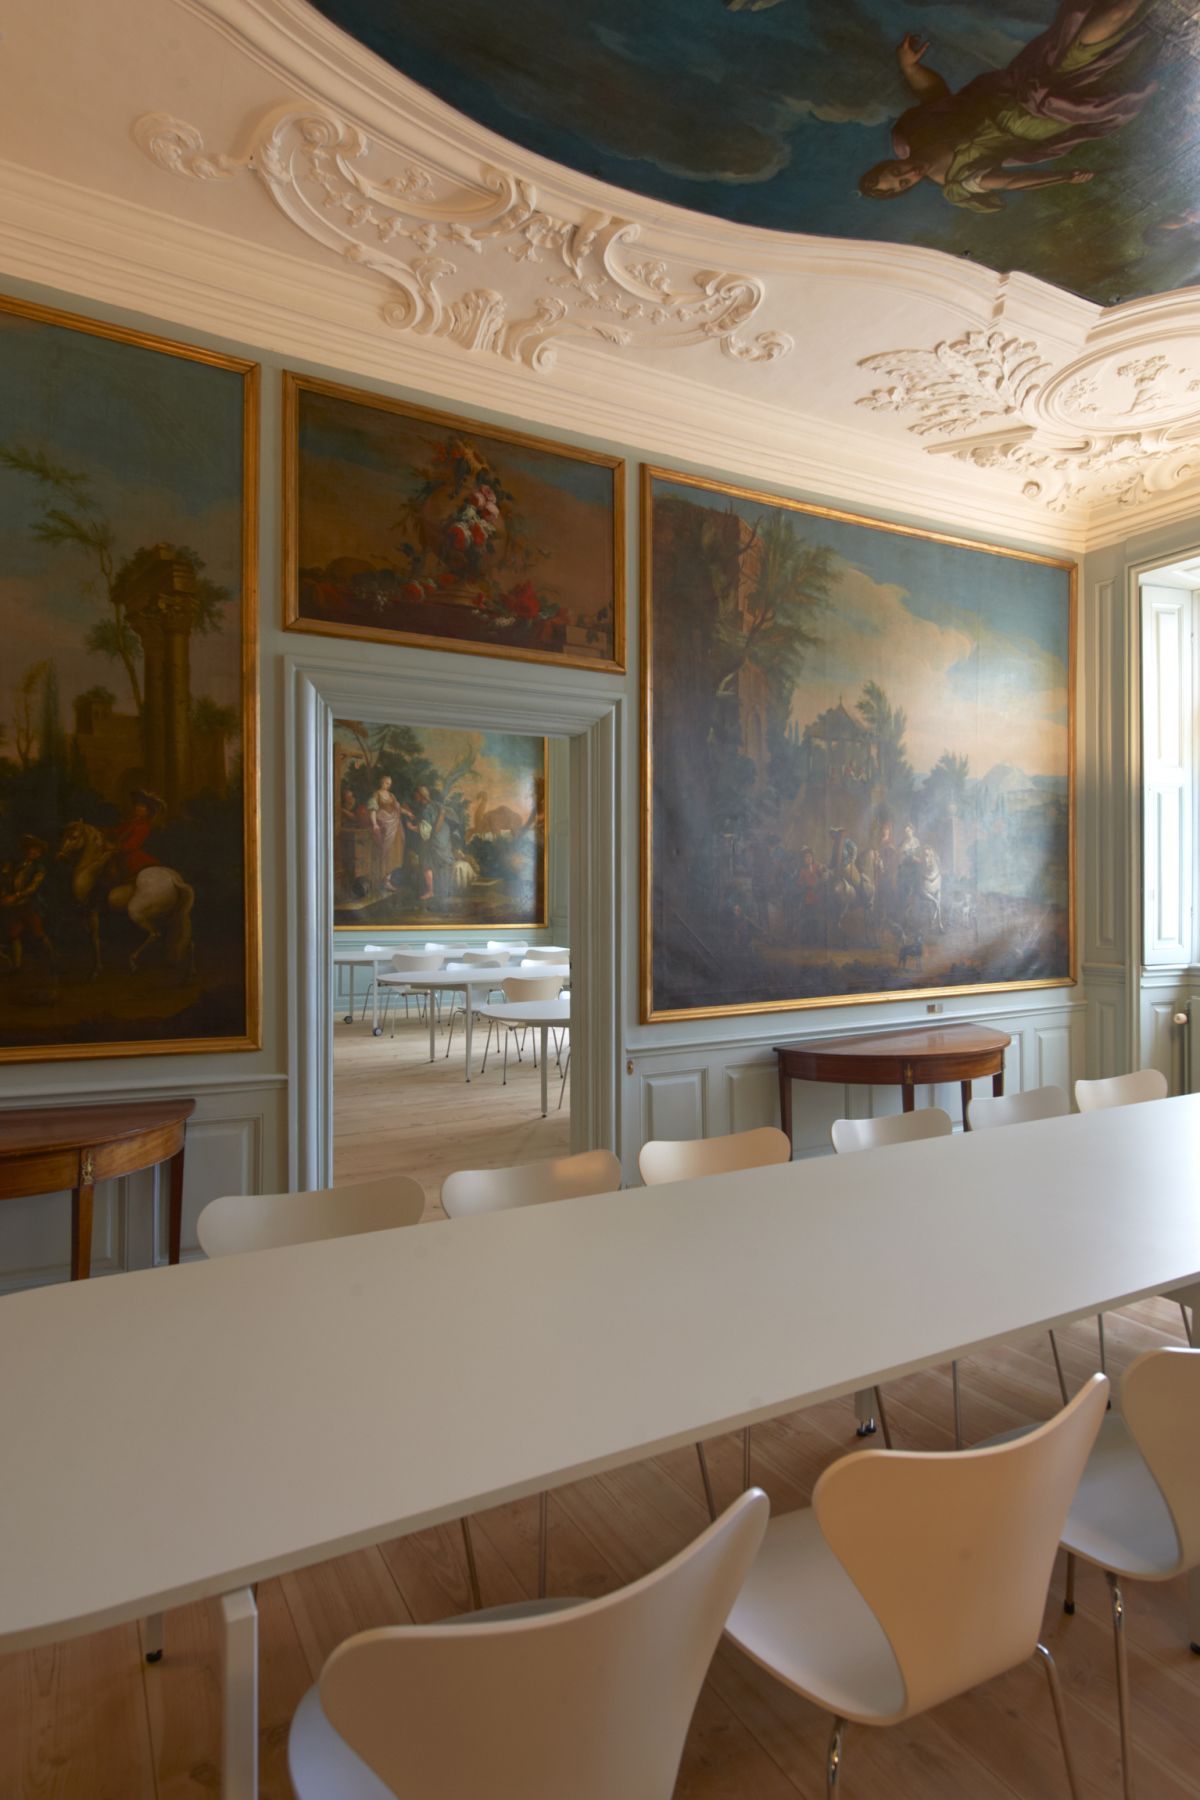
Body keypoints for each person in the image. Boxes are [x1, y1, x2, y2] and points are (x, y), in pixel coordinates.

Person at [860, 3, 1155, 212]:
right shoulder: (956, 185)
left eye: (897, 170)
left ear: (889, 162)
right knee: (1089, 56)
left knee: (1073, 37)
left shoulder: (912, 135)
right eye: (904, 183)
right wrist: (1063, 177)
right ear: (908, 188)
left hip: (1013, 89)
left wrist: (910, 69)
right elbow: (1011, 181)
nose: (909, 173)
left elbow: (935, 95)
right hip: (1039, 120)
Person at [1, 835, 54, 970]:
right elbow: (7, 881)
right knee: (14, 935)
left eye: (38, 851)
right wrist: (4, 893)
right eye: (32, 849)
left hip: (29, 905)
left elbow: (33, 887)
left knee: (39, 934)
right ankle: (17, 966)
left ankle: (53, 961)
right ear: (26, 850)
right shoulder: (16, 865)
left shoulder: (39, 868)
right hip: (14, 906)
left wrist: (16, 896)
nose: (35, 852)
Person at [366, 772, 412, 896]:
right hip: (384, 825)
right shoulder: (376, 794)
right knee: (383, 851)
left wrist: (408, 813)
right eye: (386, 783)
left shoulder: (392, 795)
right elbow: (372, 810)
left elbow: (398, 809)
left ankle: (387, 879)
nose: (388, 785)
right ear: (381, 782)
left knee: (394, 851)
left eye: (389, 784)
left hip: (394, 824)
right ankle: (380, 879)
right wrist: (374, 824)